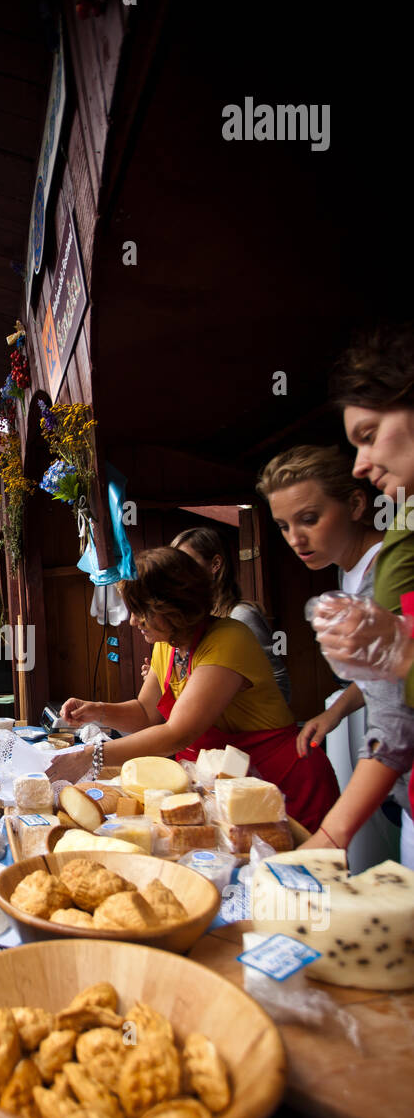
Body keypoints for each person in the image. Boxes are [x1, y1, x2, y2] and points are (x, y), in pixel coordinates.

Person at [53, 546, 339, 832]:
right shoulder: (167, 645)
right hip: (226, 790)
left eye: (142, 611)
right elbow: (145, 713)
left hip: (281, 784)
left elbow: (177, 733)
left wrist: (90, 755)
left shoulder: (229, 640)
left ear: (174, 606)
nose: (133, 621)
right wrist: (97, 711)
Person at [256, 442, 414, 864]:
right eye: (284, 526)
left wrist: (330, 835)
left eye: (309, 519)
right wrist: (336, 710)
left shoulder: (384, 577)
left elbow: (396, 719)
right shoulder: (351, 569)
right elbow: (384, 673)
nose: (295, 539)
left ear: (356, 504)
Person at [304, 323, 414, 855]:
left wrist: (399, 649)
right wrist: (329, 837)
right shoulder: (405, 531)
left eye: (368, 435)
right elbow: (396, 719)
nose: (360, 465)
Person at [171, 527, 291, 703]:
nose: (177, 573)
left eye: (187, 563)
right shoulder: (187, 621)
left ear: (215, 564)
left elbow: (278, 681)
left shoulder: (241, 616)